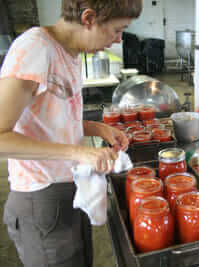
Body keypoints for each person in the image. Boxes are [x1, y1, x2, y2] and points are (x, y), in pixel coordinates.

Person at [0, 0, 142, 266]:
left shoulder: (70, 52)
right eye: (116, 30)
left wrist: (97, 127)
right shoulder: (35, 50)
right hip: (40, 196)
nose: (117, 40)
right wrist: (78, 152)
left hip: (70, 184)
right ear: (88, 18)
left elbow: (50, 118)